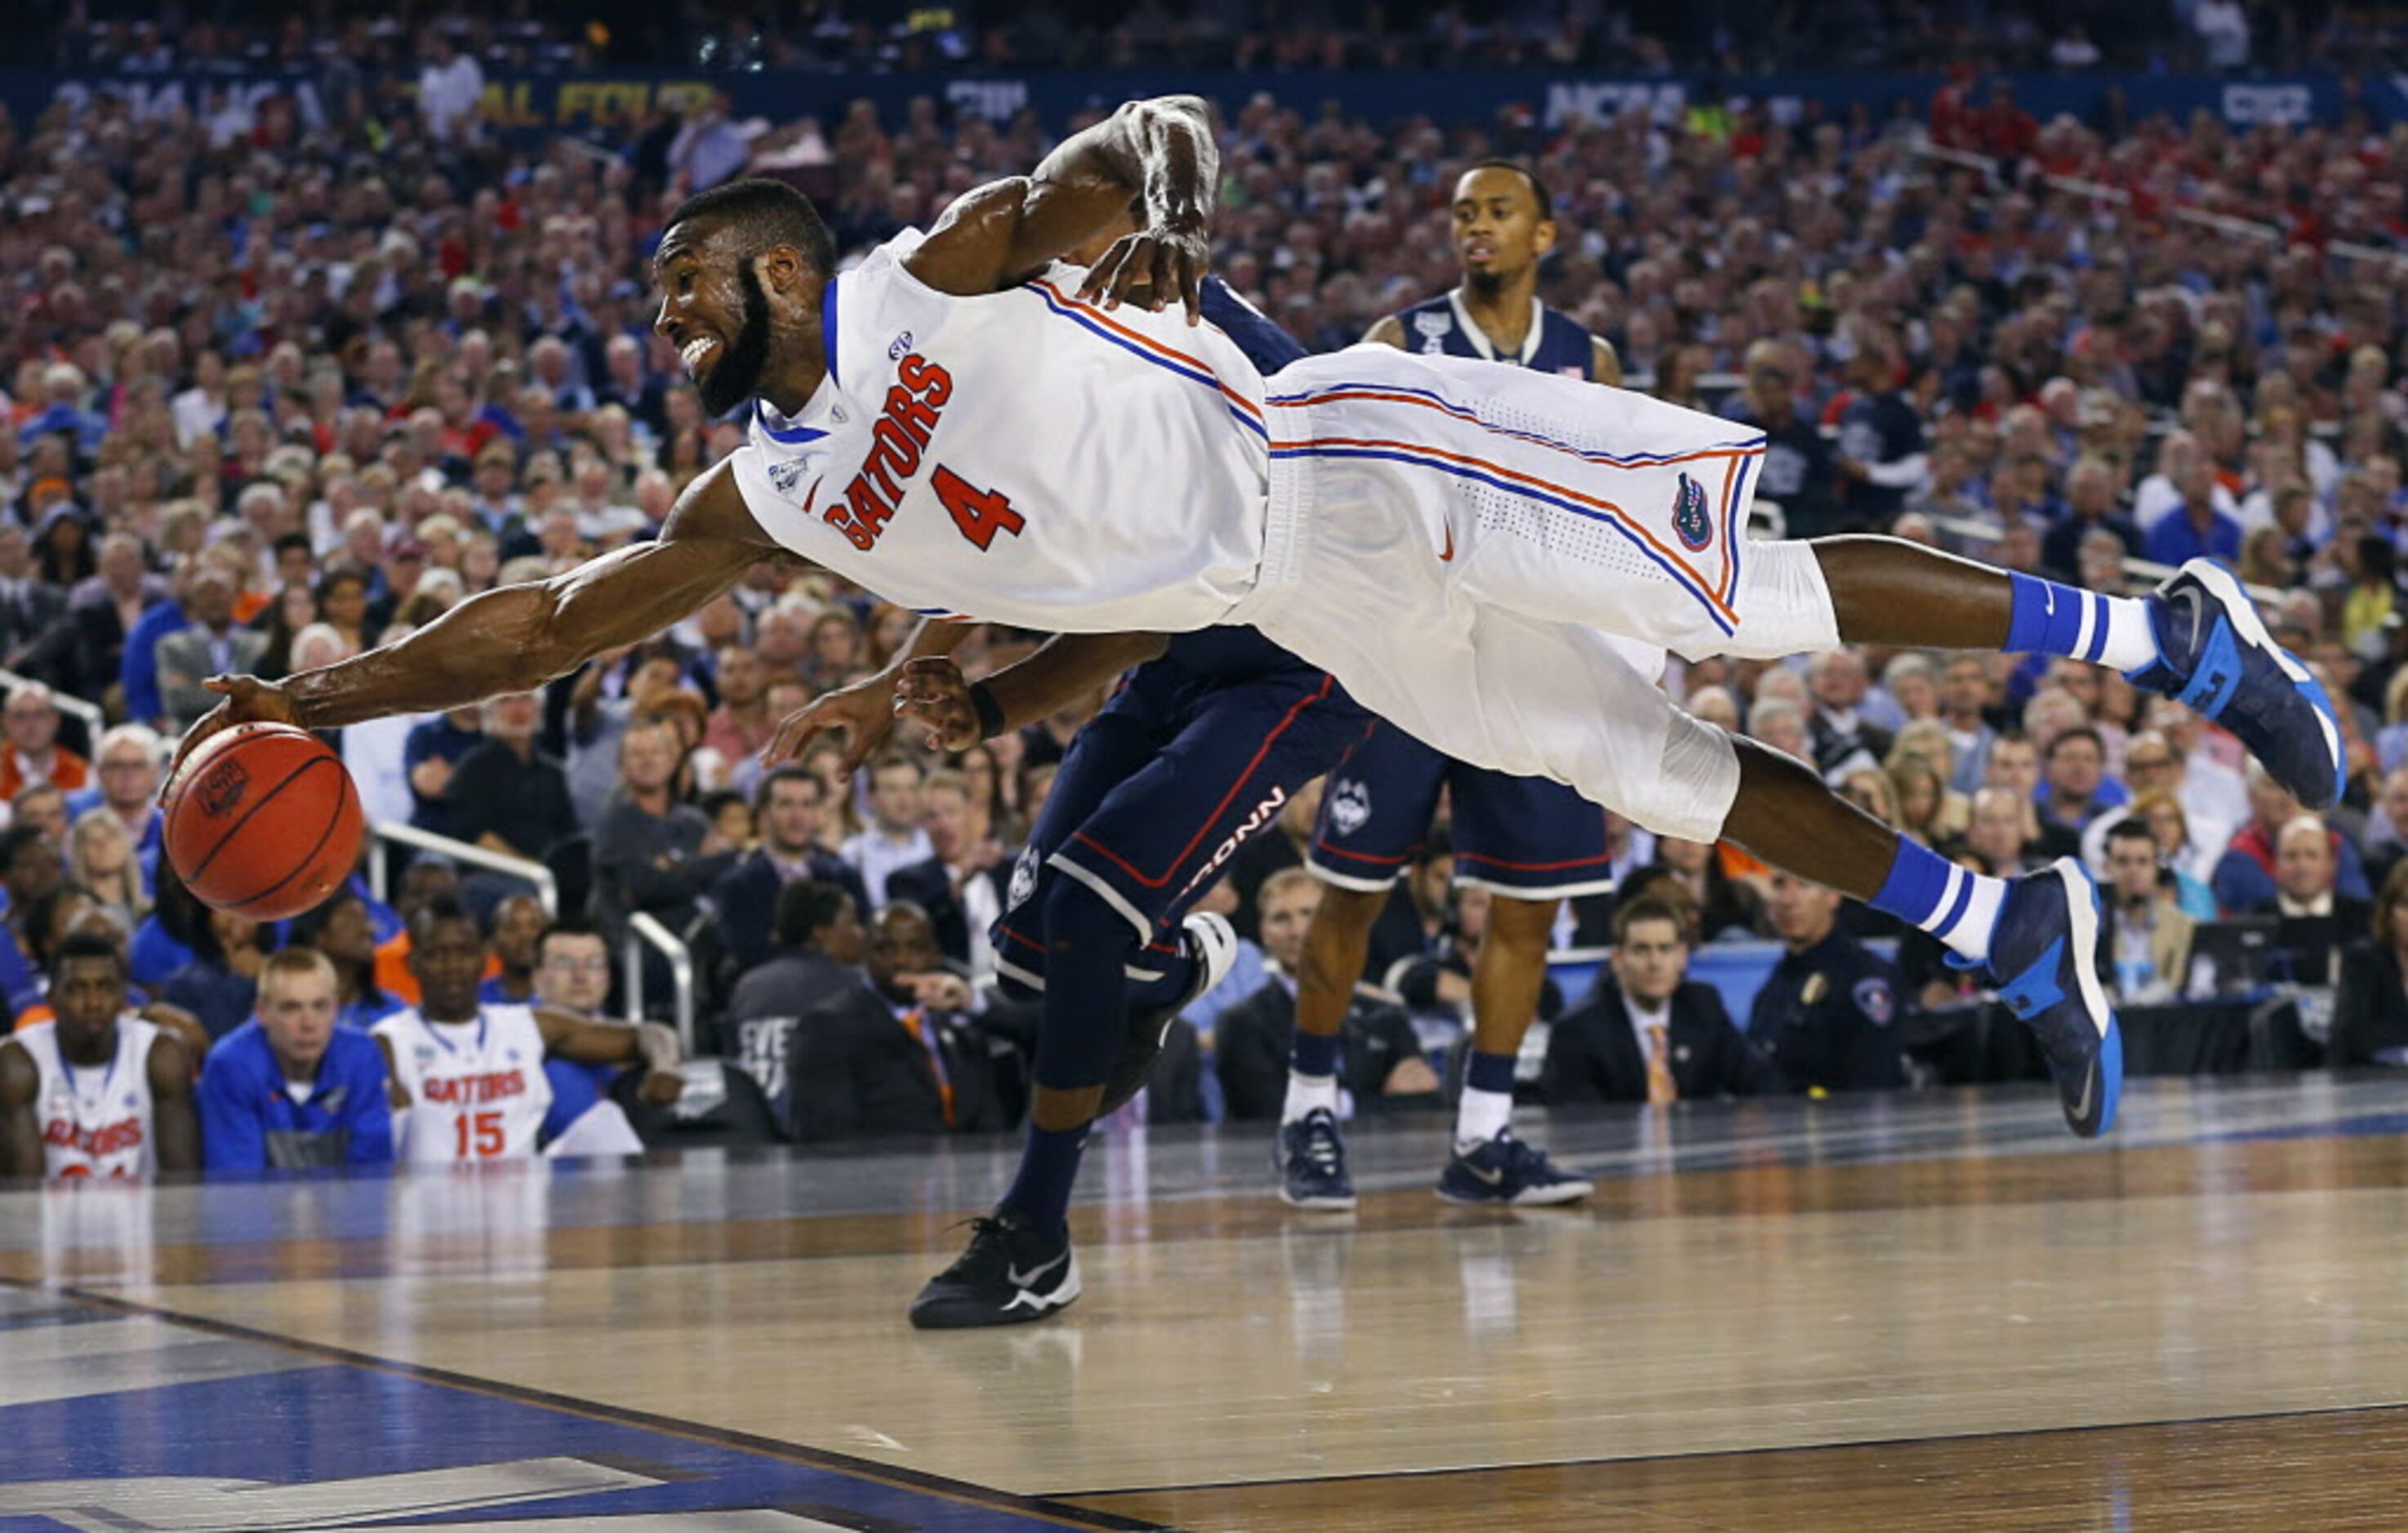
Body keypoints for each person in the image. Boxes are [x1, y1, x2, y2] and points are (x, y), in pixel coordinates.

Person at [185, 112, 2340, 1314]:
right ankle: (2005, 929)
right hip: (1295, 594)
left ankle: (2166, 634)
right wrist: (316, 687)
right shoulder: (767, 499)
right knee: (1643, 762)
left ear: (767, 268)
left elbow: (1119, 157)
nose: (653, 330)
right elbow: (540, 620)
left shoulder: (919, 280)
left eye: (678, 294)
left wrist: (1157, 183)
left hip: (1362, 444)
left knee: (1750, 602)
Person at [1287, 161, 1624, 1212]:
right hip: (1405, 659)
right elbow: (1333, 481)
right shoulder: (1398, 343)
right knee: (1352, 892)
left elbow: (1614, 515)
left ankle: (1484, 1138)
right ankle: (1310, 1112)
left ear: (1546, 234)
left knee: (1525, 908)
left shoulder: (1590, 362)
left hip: (1526, 663)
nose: (1475, 227)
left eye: (1498, 212)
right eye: (1462, 214)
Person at [371, 896, 682, 1162]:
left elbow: (647, 1034)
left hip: (519, 1200)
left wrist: (664, 1066)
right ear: (413, 964)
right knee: (422, 1124)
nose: (453, 966)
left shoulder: (526, 1025)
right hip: (430, 1204)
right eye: (437, 955)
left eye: (464, 953)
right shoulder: (389, 1041)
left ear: (482, 959)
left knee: (603, 1124)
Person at [1214, 869, 1440, 1128]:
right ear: (1264, 933)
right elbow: (1272, 1113)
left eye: (1308, 914)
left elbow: (1427, 1101)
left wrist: (1329, 1105)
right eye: (1280, 918)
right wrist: (1368, 1103)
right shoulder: (1241, 1024)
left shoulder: (1385, 1016)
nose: (1296, 931)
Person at [784, 902, 1013, 1143]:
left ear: (934, 953)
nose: (901, 960)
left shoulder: (961, 1023)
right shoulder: (827, 1027)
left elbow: (989, 1123)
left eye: (915, 947)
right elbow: (826, 1138)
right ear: (865, 953)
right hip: (881, 1175)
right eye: (885, 948)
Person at [1542, 897, 1778, 1104]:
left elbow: (1758, 1078)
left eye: (1665, 949)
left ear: (1682, 957)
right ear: (1618, 959)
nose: (1654, 963)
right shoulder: (1578, 1030)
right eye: (1641, 950)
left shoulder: (1703, 1006)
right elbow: (1577, 1123)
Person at [0, 931, 198, 1178]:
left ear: (123, 996)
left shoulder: (160, 1054)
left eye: (105, 987)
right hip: (52, 1217)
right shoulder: (19, 1059)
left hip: (142, 1215)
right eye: (76, 989)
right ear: (51, 998)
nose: (93, 1002)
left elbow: (181, 1185)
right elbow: (25, 1196)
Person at [196, 948, 394, 1171]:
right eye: (291, 1008)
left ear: (336, 1009)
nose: (309, 1024)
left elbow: (371, 1174)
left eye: (320, 1006)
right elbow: (239, 1183)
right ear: (262, 1013)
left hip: (345, 1204)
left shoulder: (361, 1058)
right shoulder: (230, 1065)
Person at [1747, 873, 1907, 1095]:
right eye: (1779, 884)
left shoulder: (1863, 976)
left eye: (1803, 884)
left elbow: (1876, 1082)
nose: (1788, 900)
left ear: (1833, 895)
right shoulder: (1779, 979)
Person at [707, 765, 869, 975]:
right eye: (786, 804)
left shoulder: (844, 876)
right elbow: (747, 955)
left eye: (807, 804)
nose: (797, 816)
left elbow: (863, 941)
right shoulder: (737, 885)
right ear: (764, 813)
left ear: (820, 812)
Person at [728, 878, 867, 1111]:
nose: (861, 934)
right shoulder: (855, 985)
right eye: (852, 924)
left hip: (756, 1125)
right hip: (823, 1129)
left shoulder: (748, 985)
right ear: (821, 933)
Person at [2095, 816, 2194, 1004]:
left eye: (2143, 862)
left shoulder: (2180, 925)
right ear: (2107, 868)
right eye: (2123, 862)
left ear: (2156, 867)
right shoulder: (2089, 927)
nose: (2133, 871)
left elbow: (2180, 984)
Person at [0, 681, 88, 801]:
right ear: (6, 722)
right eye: (20, 716)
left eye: (40, 715)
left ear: (55, 719)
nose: (31, 725)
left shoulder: (81, 773)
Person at [479, 893, 550, 1004]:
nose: (526, 936)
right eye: (512, 928)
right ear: (493, 943)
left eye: (535, 926)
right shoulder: (474, 999)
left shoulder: (563, 996)